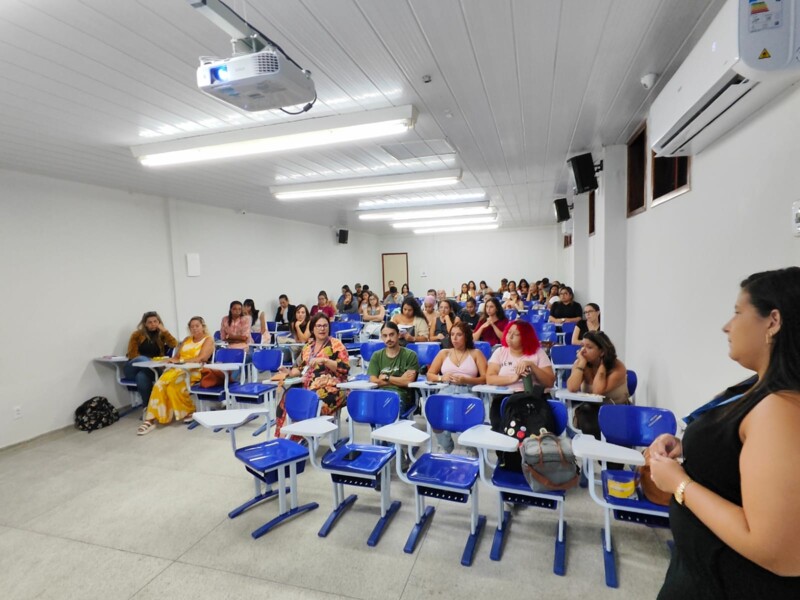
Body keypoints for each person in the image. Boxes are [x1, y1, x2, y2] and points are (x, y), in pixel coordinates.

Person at [647, 267, 800, 598]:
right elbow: (738, 453)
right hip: (698, 569)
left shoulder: (782, 408)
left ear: (772, 322)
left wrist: (679, 484)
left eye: (737, 312)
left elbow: (777, 551)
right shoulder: (760, 385)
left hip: (728, 584)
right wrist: (685, 446)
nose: (727, 326)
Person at [275, 312, 350, 437]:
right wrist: (288, 372)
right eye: (318, 326)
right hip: (307, 385)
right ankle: (283, 438)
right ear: (313, 329)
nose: (322, 329)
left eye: (325, 326)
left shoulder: (336, 345)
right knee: (287, 398)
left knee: (309, 404)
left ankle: (301, 438)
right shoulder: (308, 347)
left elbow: (345, 368)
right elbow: (299, 368)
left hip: (332, 387)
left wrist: (326, 361)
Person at [137, 316, 213, 435]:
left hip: (193, 370)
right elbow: (177, 357)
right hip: (177, 369)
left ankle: (188, 411)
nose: (194, 329)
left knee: (173, 388)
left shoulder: (208, 340)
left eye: (197, 326)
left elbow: (202, 358)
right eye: (192, 327)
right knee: (159, 385)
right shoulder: (187, 339)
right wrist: (167, 361)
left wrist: (183, 362)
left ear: (202, 327)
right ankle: (150, 419)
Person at [426, 321, 488, 452]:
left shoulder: (475, 353)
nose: (454, 338)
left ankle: (471, 450)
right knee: (434, 413)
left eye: (459, 335)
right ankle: (446, 446)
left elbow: (485, 378)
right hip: (446, 389)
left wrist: (466, 379)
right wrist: (441, 378)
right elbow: (430, 374)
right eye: (452, 334)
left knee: (467, 420)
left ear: (466, 336)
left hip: (468, 390)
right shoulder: (444, 353)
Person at [486, 321, 555, 431]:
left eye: (516, 334)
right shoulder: (500, 352)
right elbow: (490, 378)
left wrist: (532, 366)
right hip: (505, 398)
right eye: (509, 332)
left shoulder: (538, 353)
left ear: (525, 337)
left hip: (532, 398)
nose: (510, 337)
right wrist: (513, 378)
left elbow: (550, 382)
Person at [566, 331, 629, 438]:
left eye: (589, 347)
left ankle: (596, 450)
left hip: (616, 411)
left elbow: (597, 391)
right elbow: (572, 387)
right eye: (582, 346)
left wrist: (603, 365)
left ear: (602, 352)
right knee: (586, 411)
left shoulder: (617, 367)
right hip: (590, 412)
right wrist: (580, 364)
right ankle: (594, 450)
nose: (583, 351)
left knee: (589, 415)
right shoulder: (582, 363)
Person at [125, 311, 178, 406]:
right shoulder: (137, 335)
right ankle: (161, 373)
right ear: (145, 324)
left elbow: (174, 344)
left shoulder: (161, 335)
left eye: (155, 321)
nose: (153, 324)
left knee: (141, 377)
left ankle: (148, 408)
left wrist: (165, 331)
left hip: (150, 370)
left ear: (159, 322)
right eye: (150, 322)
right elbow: (132, 354)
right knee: (142, 359)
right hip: (133, 367)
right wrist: (152, 362)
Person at [368, 322, 419, 414]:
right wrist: (399, 380)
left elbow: (407, 382)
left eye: (391, 335)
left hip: (401, 396)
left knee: (389, 409)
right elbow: (373, 380)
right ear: (382, 337)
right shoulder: (376, 356)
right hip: (380, 394)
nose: (388, 339)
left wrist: (387, 377)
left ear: (398, 335)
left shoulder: (410, 355)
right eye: (385, 336)